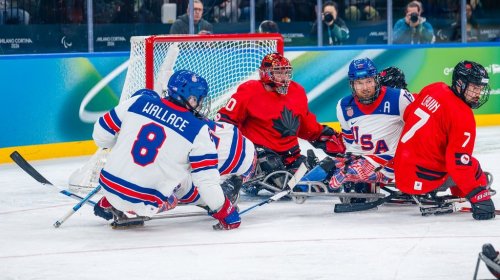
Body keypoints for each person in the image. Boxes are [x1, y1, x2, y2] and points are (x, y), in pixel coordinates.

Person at [92, 70, 240, 230]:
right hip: (145, 203)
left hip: (108, 187)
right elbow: (206, 182)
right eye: (199, 99)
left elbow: (100, 136)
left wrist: (123, 144)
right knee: (186, 180)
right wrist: (225, 211)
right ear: (191, 99)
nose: (200, 103)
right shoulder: (198, 129)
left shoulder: (138, 101)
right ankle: (213, 204)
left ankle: (111, 201)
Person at [216, 52, 344, 193]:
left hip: (290, 156)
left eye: (286, 73)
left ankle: (301, 180)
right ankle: (246, 179)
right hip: (260, 155)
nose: (283, 78)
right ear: (264, 73)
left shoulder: (297, 91)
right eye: (278, 73)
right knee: (275, 170)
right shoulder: (249, 90)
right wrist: (239, 153)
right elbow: (225, 122)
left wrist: (328, 137)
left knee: (322, 170)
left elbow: (307, 126)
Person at [394, 60, 495, 221]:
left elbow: (408, 114)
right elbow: (458, 163)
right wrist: (478, 196)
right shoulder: (463, 115)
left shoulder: (433, 88)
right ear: (460, 84)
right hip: (424, 179)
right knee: (472, 166)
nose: (478, 93)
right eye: (475, 88)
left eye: (481, 88)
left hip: (400, 173)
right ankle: (467, 194)